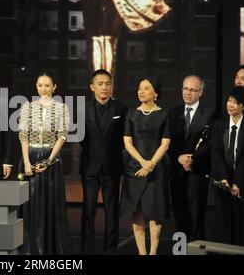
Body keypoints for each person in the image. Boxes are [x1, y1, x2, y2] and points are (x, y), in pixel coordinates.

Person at [18, 72, 70, 254]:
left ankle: (49, 249)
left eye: (47, 85)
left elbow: (62, 135)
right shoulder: (27, 107)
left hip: (51, 157)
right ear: (36, 86)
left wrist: (48, 160)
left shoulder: (62, 108)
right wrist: (26, 162)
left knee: (49, 204)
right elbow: (23, 135)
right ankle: (30, 249)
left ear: (54, 87)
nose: (43, 89)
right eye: (40, 85)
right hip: (30, 156)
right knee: (31, 204)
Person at [120, 77, 171, 255]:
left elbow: (165, 144)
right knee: (137, 212)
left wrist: (151, 164)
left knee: (154, 212)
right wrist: (142, 162)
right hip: (135, 167)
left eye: (146, 88)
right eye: (140, 88)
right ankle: (142, 253)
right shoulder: (131, 114)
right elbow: (127, 142)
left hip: (157, 168)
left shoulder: (164, 114)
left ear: (156, 93)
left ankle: (153, 252)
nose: (141, 91)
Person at [79, 69, 128, 254]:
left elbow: (125, 139)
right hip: (89, 168)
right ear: (92, 87)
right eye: (100, 84)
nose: (104, 87)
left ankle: (110, 249)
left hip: (112, 168)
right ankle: (87, 250)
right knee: (88, 211)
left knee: (111, 211)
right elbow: (81, 139)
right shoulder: (82, 108)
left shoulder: (121, 109)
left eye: (108, 83)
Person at [168, 75, 215, 241]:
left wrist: (192, 159)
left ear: (200, 92)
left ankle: (196, 251)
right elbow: (168, 142)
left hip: (197, 173)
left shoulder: (209, 114)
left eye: (192, 90)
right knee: (179, 218)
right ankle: (179, 251)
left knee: (196, 218)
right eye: (185, 89)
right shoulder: (172, 113)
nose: (187, 93)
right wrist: (179, 157)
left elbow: (210, 143)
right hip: (177, 173)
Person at [210, 87, 244, 247]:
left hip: (243, 184)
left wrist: (237, 182)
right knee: (223, 227)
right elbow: (216, 154)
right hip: (223, 183)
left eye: (236, 103)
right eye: (229, 101)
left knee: (243, 228)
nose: (230, 105)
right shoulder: (218, 125)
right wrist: (224, 178)